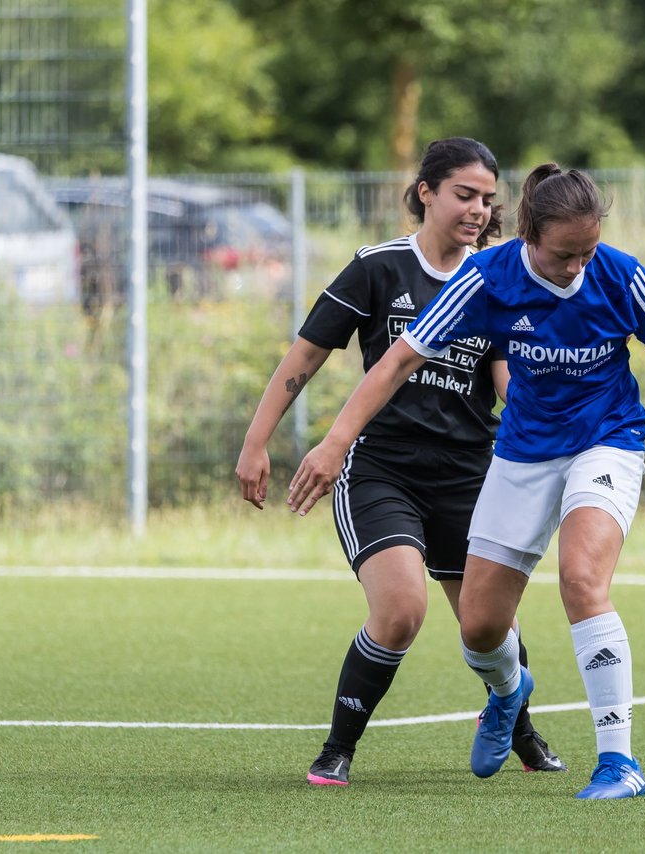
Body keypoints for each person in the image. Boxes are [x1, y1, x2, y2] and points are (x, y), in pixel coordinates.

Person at [286, 163, 645, 799]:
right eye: (563, 254)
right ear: (528, 234)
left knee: (581, 579)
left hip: (608, 441)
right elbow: (399, 360)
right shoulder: (484, 278)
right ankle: (508, 692)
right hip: (522, 455)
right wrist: (335, 442)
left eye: (588, 250)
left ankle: (618, 763)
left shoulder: (620, 274)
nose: (577, 266)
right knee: (479, 627)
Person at [235, 138, 565, 787]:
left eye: (487, 200)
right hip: (382, 471)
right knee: (401, 611)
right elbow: (304, 357)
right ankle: (338, 748)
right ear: (426, 192)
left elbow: (504, 380)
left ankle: (516, 724)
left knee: (490, 624)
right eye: (464, 195)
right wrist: (256, 442)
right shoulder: (378, 268)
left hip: (472, 477)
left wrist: (551, 423)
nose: (476, 209)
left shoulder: (495, 279)